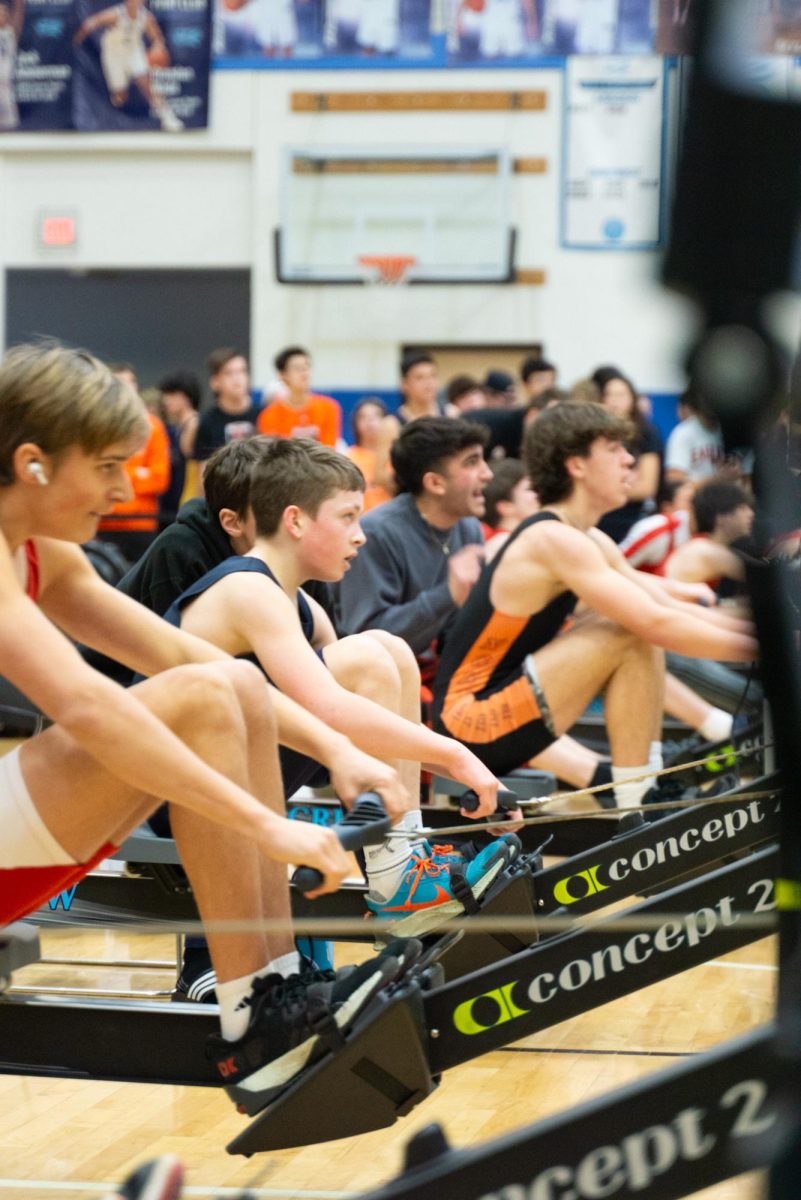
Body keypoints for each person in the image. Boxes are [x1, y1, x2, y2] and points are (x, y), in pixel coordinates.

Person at [0, 341, 423, 1108]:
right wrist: (268, 826)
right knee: (204, 692)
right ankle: (254, 1010)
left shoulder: (40, 553)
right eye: (106, 466)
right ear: (32, 463)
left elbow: (179, 650)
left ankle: (271, 994)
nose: (127, 486)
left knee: (227, 680)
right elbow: (91, 709)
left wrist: (338, 749)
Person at [164, 437, 515, 935]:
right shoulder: (248, 589)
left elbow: (367, 720)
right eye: (348, 517)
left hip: (238, 770)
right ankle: (397, 877)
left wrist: (479, 780)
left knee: (389, 649)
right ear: (296, 521)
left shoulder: (301, 603)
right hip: (175, 794)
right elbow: (330, 709)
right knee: (369, 655)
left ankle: (406, 859)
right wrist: (459, 757)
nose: (362, 536)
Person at [432, 402, 757, 811]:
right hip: (470, 723)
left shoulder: (585, 536)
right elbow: (658, 622)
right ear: (577, 466)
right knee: (627, 627)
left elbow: (665, 604)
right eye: (614, 448)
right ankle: (639, 794)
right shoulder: (551, 539)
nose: (629, 460)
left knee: (628, 621)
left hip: (504, 707)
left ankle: (642, 788)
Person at [336, 417, 492, 687]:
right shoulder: (377, 534)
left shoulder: (468, 528)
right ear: (435, 483)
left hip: (441, 677)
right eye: (471, 462)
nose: (487, 473)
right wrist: (448, 595)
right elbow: (366, 640)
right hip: (380, 684)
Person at [97, 363, 171, 564]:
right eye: (121, 384)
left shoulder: (153, 427)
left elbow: (159, 479)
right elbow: (95, 476)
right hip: (104, 522)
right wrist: (138, 472)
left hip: (142, 524)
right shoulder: (96, 428)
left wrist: (119, 472)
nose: (127, 389)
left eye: (131, 383)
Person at [73, 0, 184, 132]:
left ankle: (168, 118)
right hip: (113, 54)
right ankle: (116, 104)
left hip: (134, 51)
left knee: (146, 85)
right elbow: (90, 23)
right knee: (120, 97)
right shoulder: (115, 14)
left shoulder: (146, 17)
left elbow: (157, 38)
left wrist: (158, 48)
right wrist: (76, 41)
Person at [594, 370, 663, 543]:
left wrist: (606, 487)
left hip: (631, 518)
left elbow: (647, 487)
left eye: (620, 395)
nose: (614, 400)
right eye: (608, 395)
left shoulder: (647, 432)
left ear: (632, 398)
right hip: (599, 518)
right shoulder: (595, 432)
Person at [665, 479, 755, 598]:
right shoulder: (707, 551)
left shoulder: (705, 545)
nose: (751, 514)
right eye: (742, 508)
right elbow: (763, 576)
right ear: (721, 517)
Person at [192, 347, 261, 477]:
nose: (237, 379)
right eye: (229, 373)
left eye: (242, 371)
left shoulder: (264, 414)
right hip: (223, 490)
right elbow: (203, 472)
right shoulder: (206, 421)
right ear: (215, 382)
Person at [257, 346, 342, 448]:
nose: (304, 373)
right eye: (297, 368)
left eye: (306, 367)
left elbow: (330, 449)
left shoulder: (329, 408)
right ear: (282, 375)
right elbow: (274, 455)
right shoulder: (269, 416)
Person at [158, 370, 201, 524]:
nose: (165, 401)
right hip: (175, 503)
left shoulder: (194, 426)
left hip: (187, 502)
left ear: (185, 397)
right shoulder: (178, 427)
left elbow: (196, 472)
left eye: (170, 395)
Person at [345, 397, 397, 511]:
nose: (370, 422)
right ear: (355, 423)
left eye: (376, 416)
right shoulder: (348, 457)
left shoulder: (396, 456)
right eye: (363, 417)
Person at [397, 352, 442, 424]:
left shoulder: (451, 415)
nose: (429, 382)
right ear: (404, 384)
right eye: (420, 377)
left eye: (433, 376)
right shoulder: (392, 425)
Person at [0, 0, 23, 132]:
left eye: (4, 13)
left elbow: (19, 12)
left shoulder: (10, 32)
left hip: (5, 87)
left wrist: (19, 4)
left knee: (9, 127)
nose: (1, 15)